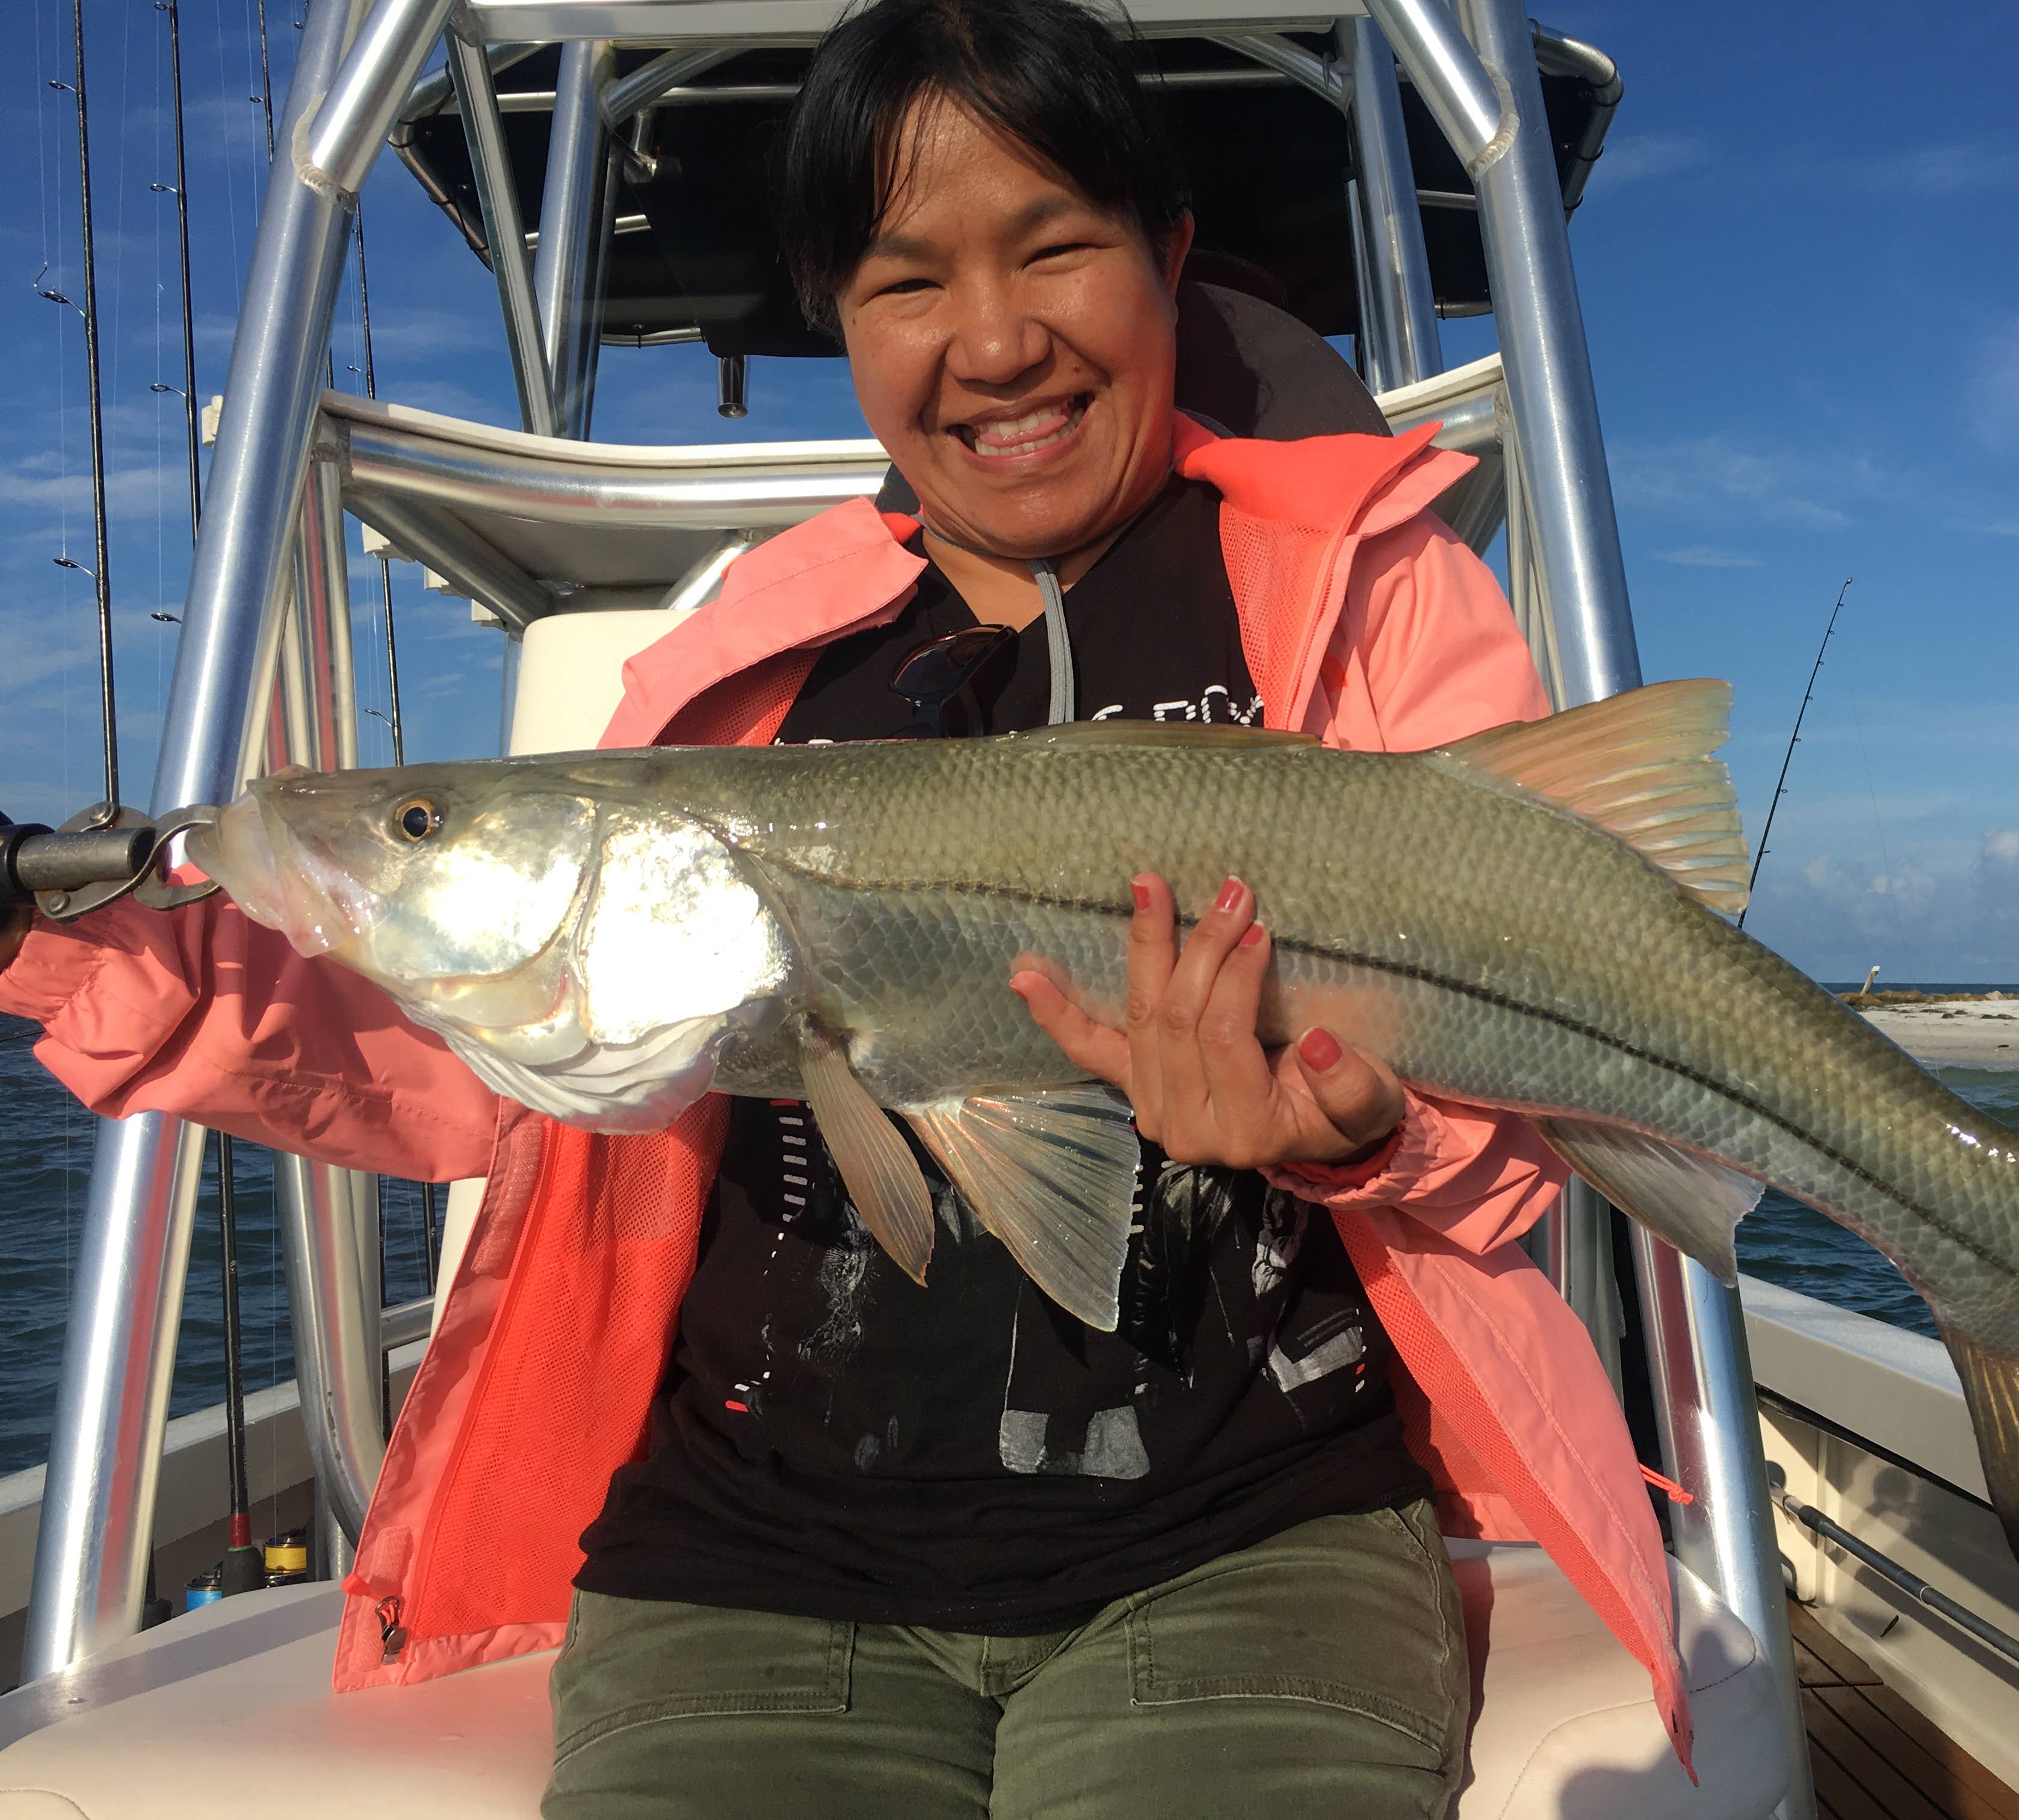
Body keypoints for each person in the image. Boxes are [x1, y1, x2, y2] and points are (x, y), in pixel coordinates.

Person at [0, 2, 1693, 1813]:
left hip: (1256, 1536)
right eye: (907, 281)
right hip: (750, 1568)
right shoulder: (739, 668)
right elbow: (514, 1051)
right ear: (839, 314)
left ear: (1170, 252)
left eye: (1057, 246)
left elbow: (1532, 1115)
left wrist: (1354, 1134)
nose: (997, 339)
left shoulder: (1371, 594)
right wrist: (62, 948)